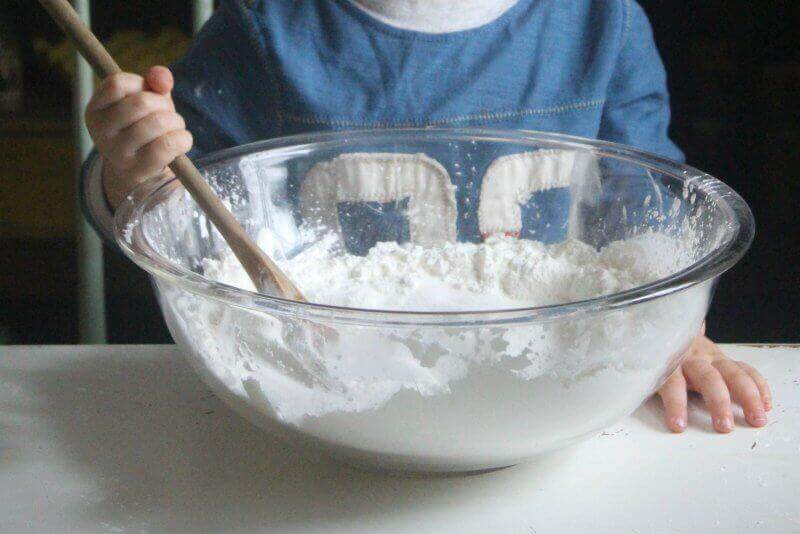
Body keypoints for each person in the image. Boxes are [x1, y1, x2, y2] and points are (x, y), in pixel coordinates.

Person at [80, 0, 771, 433]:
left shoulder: (602, 21)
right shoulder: (264, 28)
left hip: (546, 399)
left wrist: (679, 332)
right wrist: (133, 166)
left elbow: (653, 221)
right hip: (320, 403)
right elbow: (180, 214)